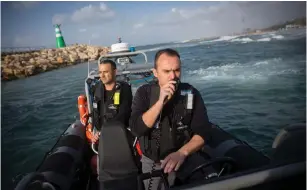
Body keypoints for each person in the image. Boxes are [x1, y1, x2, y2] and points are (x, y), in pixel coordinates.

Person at [129, 48, 212, 189]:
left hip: (185, 156)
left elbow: (203, 132)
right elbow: (137, 128)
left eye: (177, 70)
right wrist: (160, 102)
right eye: (167, 71)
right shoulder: (144, 93)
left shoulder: (191, 93)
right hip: (153, 161)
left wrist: (182, 153)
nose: (173, 76)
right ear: (155, 73)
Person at [87, 59, 133, 176]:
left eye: (106, 72)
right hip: (101, 136)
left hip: (120, 136)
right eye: (100, 72)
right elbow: (94, 113)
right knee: (94, 162)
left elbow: (122, 114)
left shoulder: (124, 90)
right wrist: (95, 132)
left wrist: (104, 132)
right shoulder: (97, 89)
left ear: (115, 72)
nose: (102, 75)